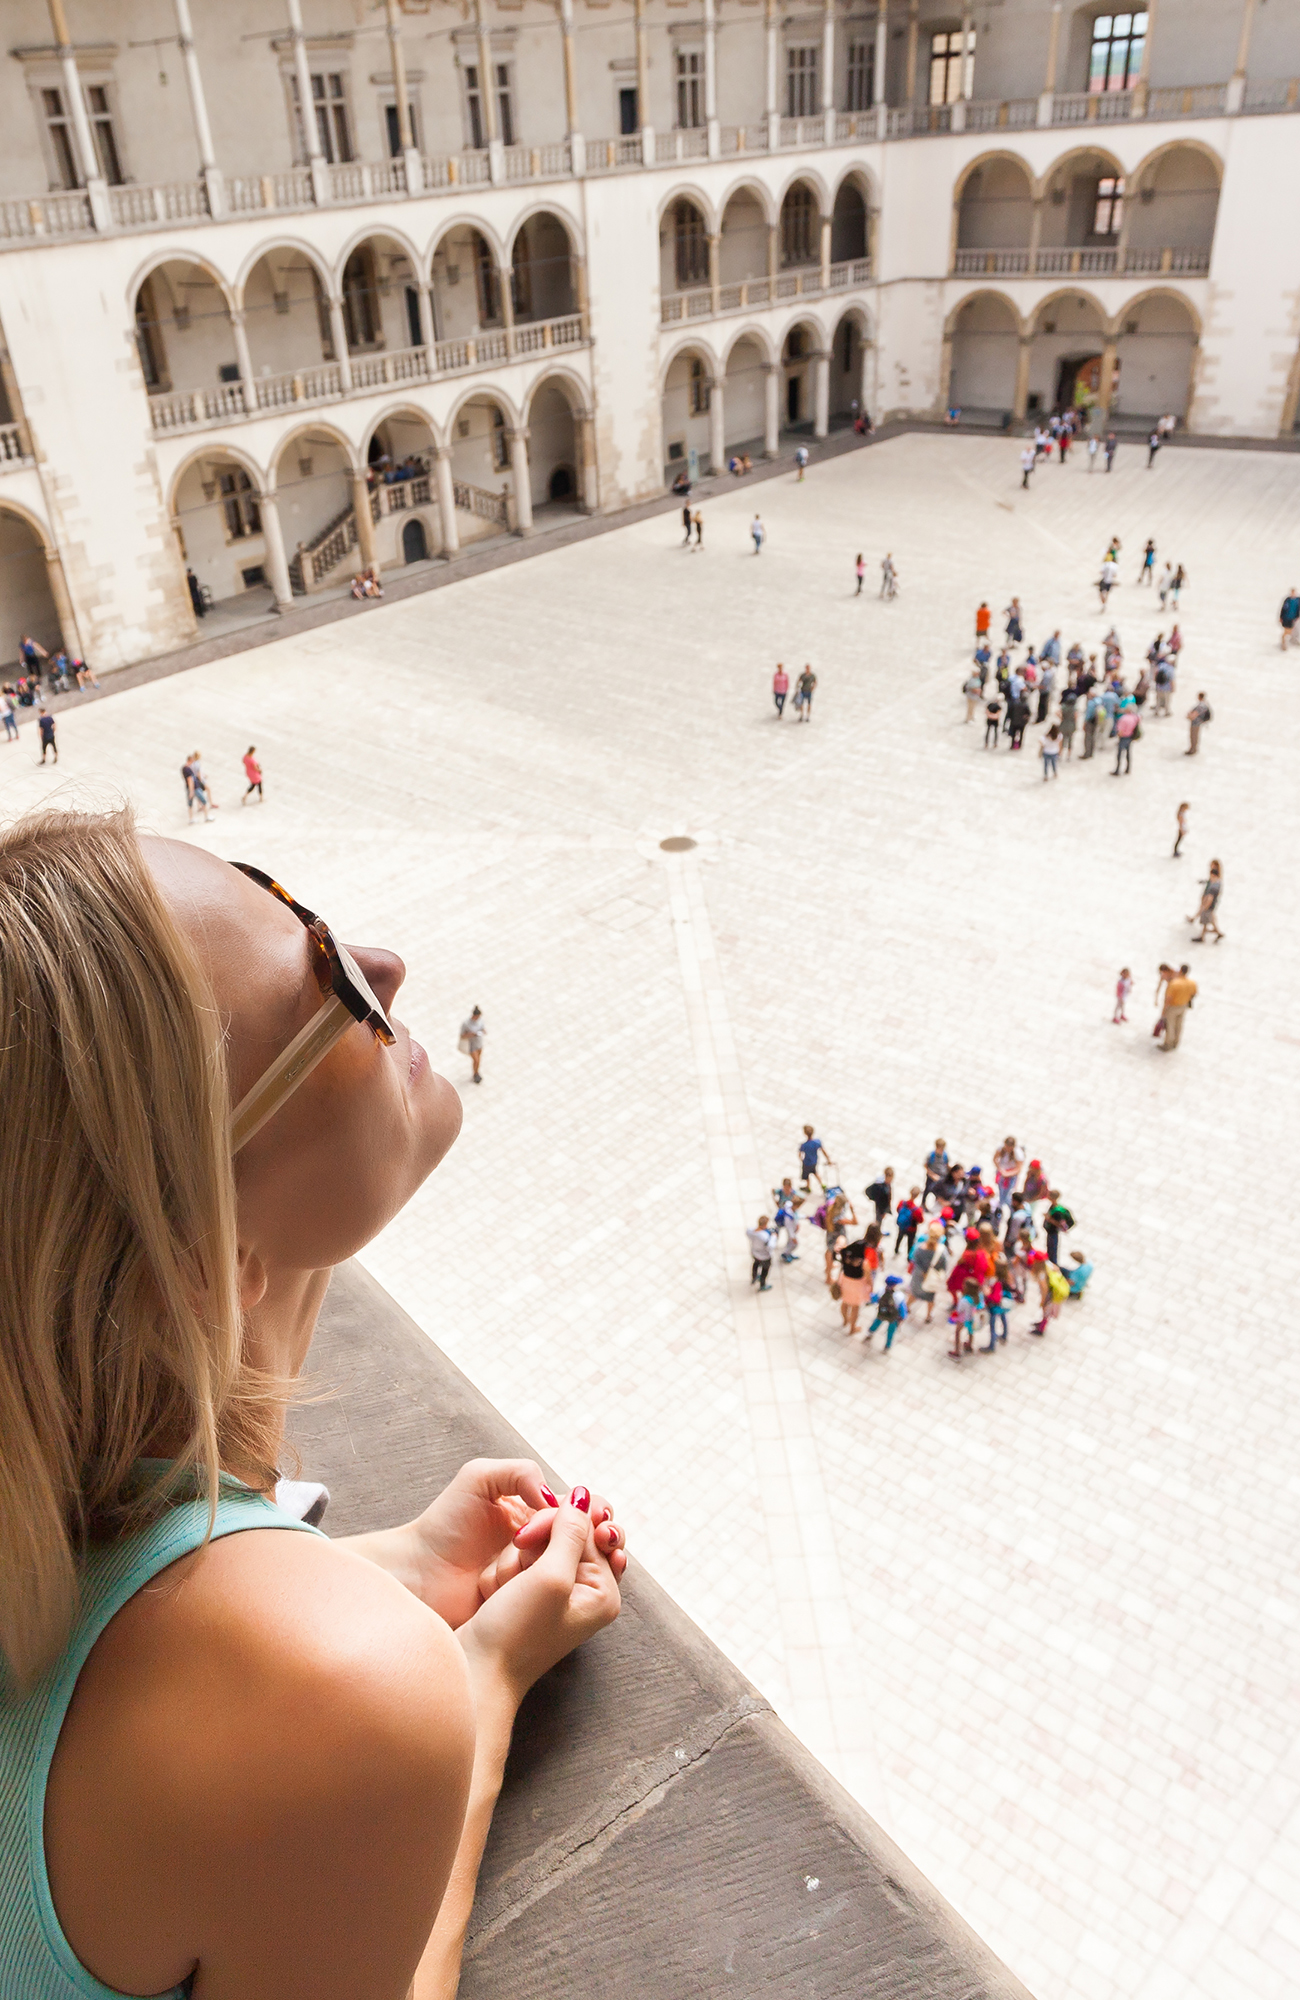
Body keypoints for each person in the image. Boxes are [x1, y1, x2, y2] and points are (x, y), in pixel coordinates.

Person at [0, 808, 626, 2000]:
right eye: (326, 977)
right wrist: (473, 1687)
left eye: (290, 897)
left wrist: (386, 1565)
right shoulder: (340, 1693)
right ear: (208, 1250)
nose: (382, 964)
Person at [907, 1225, 947, 1323]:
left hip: (919, 1276)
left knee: (914, 1293)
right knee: (930, 1297)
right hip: (931, 1279)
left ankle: (906, 1307)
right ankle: (928, 1316)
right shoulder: (942, 1252)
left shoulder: (919, 1248)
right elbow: (944, 1267)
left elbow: (913, 1260)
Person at [835, 1230, 869, 1337]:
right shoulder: (863, 1260)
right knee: (855, 1307)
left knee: (845, 1302)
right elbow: (868, 1275)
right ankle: (852, 1328)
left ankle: (845, 1320)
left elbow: (840, 1242)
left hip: (845, 1279)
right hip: (857, 1283)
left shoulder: (846, 1254)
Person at [1159, 964, 1197, 1050]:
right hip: (1183, 1006)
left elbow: (1168, 999)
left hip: (1173, 1007)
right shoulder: (1192, 983)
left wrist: (1163, 1011)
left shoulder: (1174, 984)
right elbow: (1194, 993)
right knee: (1179, 1025)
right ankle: (1176, 1042)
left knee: (1170, 1025)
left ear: (1180, 971)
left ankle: (1168, 1044)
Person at [866, 1275, 906, 1351]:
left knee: (877, 1322)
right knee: (891, 1331)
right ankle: (888, 1345)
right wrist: (902, 1317)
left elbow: (874, 1299)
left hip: (882, 1312)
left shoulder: (881, 1291)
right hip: (893, 1317)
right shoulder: (899, 1296)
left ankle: (870, 1332)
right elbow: (902, 1309)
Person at [1188, 859, 1224, 942]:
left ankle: (1203, 937)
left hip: (1208, 905)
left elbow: (1210, 897)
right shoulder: (1216, 882)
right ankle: (1218, 932)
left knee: (1205, 921)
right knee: (1210, 919)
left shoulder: (1214, 886)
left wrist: (1205, 906)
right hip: (1210, 905)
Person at [895, 1187, 924, 1262]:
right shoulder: (917, 1210)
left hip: (902, 1226)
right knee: (910, 1243)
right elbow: (920, 1220)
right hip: (911, 1229)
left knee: (899, 1238)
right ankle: (909, 1257)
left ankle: (896, 1249)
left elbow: (898, 1209)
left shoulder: (902, 1202)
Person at [460, 1004, 486, 1083]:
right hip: (472, 1044)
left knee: (478, 1059)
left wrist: (482, 1031)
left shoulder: (480, 1021)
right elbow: (462, 1035)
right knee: (476, 1060)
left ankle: (476, 1071)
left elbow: (483, 1028)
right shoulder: (466, 1023)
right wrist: (472, 1034)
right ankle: (475, 1073)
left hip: (479, 1043)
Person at [798, 1125, 829, 1192]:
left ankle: (808, 1187)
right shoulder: (817, 1142)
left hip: (806, 1163)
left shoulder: (804, 1145)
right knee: (815, 1172)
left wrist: (801, 1160)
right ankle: (822, 1184)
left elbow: (800, 1154)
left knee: (806, 1176)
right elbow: (823, 1151)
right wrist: (828, 1159)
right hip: (814, 1161)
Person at [748, 1216, 775, 1290]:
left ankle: (754, 1277)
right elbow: (770, 1246)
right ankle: (762, 1285)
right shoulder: (765, 1236)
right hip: (764, 1256)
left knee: (756, 1264)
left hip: (755, 1253)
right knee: (765, 1270)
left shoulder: (750, 1231)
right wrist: (773, 1237)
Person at [1112, 701, 1138, 774]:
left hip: (1123, 737)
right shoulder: (1135, 717)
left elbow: (1120, 731)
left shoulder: (1124, 719)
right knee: (1128, 753)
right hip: (1130, 736)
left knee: (1120, 754)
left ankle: (1117, 770)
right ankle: (1128, 768)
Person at [1185, 691, 1211, 756]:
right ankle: (1194, 748)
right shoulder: (1205, 703)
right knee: (1195, 736)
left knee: (1193, 736)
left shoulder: (1201, 706)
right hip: (1199, 722)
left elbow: (1195, 714)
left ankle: (1193, 749)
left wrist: (1189, 716)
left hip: (1195, 723)